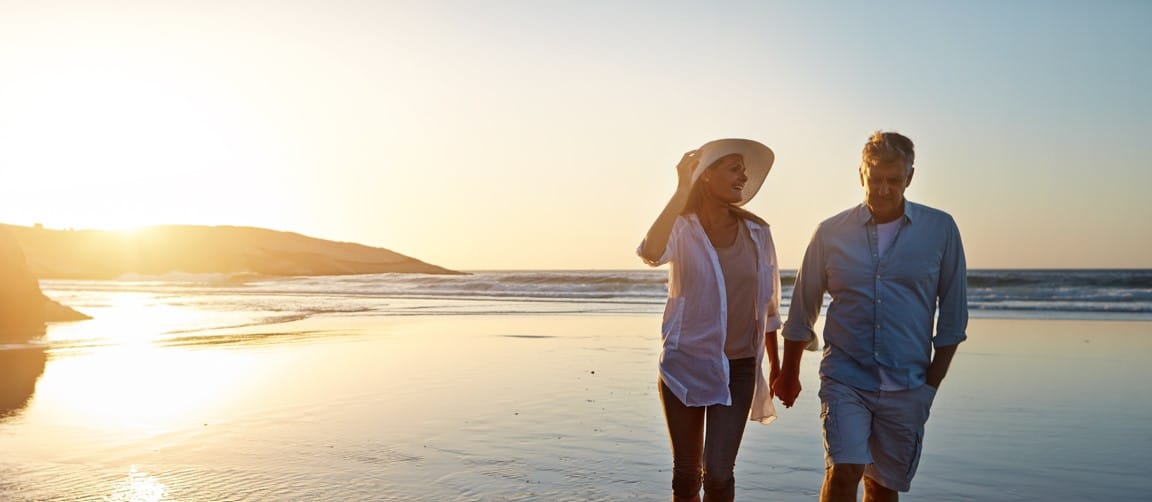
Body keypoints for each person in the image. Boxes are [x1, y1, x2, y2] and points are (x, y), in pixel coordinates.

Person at [773, 131, 968, 501]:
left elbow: (954, 319)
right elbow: (803, 309)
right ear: (861, 174)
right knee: (844, 470)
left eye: (893, 180)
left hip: (908, 384)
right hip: (845, 377)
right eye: (875, 178)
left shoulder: (940, 230)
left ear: (910, 177)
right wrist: (789, 371)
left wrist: (929, 389)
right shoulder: (830, 233)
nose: (883, 189)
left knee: (881, 488)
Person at [637, 138, 784, 502]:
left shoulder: (758, 233)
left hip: (740, 368)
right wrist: (680, 189)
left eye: (744, 170)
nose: (743, 176)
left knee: (719, 474)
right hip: (686, 362)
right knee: (687, 474)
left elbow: (768, 307)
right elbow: (651, 252)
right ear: (706, 177)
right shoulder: (682, 228)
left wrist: (778, 363)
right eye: (734, 168)